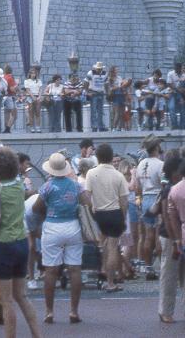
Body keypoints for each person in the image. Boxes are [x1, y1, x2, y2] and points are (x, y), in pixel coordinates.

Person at [0, 147, 42, 338]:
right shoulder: (20, 186)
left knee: (6, 301)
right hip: (21, 241)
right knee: (21, 296)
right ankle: (37, 335)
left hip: (4, 245)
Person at [33, 152, 88, 324]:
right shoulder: (75, 185)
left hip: (52, 226)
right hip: (72, 226)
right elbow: (87, 201)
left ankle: (49, 311)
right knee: (75, 269)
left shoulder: (47, 186)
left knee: (50, 270)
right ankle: (74, 311)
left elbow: (35, 208)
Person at [85, 142, 128, 291]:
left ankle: (103, 271)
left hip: (99, 213)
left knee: (103, 245)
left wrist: (92, 212)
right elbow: (124, 201)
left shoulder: (91, 173)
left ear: (97, 157)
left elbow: (87, 197)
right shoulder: (118, 175)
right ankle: (110, 282)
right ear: (111, 157)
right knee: (113, 247)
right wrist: (123, 217)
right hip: (115, 212)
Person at [157, 155, 184, 323]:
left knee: (175, 273)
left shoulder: (173, 188)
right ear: (174, 172)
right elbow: (167, 217)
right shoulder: (169, 189)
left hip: (176, 236)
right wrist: (175, 240)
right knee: (169, 274)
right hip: (170, 237)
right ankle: (165, 310)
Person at [136, 137, 164, 279]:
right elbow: (163, 184)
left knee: (148, 235)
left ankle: (148, 267)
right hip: (157, 198)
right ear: (156, 148)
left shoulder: (141, 164)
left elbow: (137, 186)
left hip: (145, 198)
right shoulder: (160, 164)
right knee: (159, 235)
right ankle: (162, 266)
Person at [85, 62, 108, 132]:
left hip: (101, 93)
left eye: (100, 68)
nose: (99, 70)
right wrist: (87, 92)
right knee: (93, 111)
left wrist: (107, 92)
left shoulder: (105, 73)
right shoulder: (91, 73)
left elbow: (106, 84)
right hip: (93, 93)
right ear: (95, 68)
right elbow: (85, 82)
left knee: (101, 111)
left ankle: (100, 126)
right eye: (98, 68)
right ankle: (94, 126)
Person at [166, 62, 185, 129]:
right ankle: (174, 125)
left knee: (183, 110)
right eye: (175, 68)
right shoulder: (170, 73)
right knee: (171, 108)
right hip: (172, 93)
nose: (176, 70)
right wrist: (178, 89)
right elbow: (169, 84)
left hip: (181, 94)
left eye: (178, 68)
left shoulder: (184, 75)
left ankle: (182, 126)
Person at [23, 68, 42, 133]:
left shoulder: (39, 81)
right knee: (31, 113)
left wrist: (39, 96)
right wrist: (33, 97)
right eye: (32, 73)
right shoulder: (27, 81)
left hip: (37, 96)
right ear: (30, 74)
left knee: (38, 112)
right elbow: (28, 90)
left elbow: (40, 89)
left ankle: (38, 127)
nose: (33, 75)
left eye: (34, 73)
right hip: (30, 97)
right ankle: (32, 127)